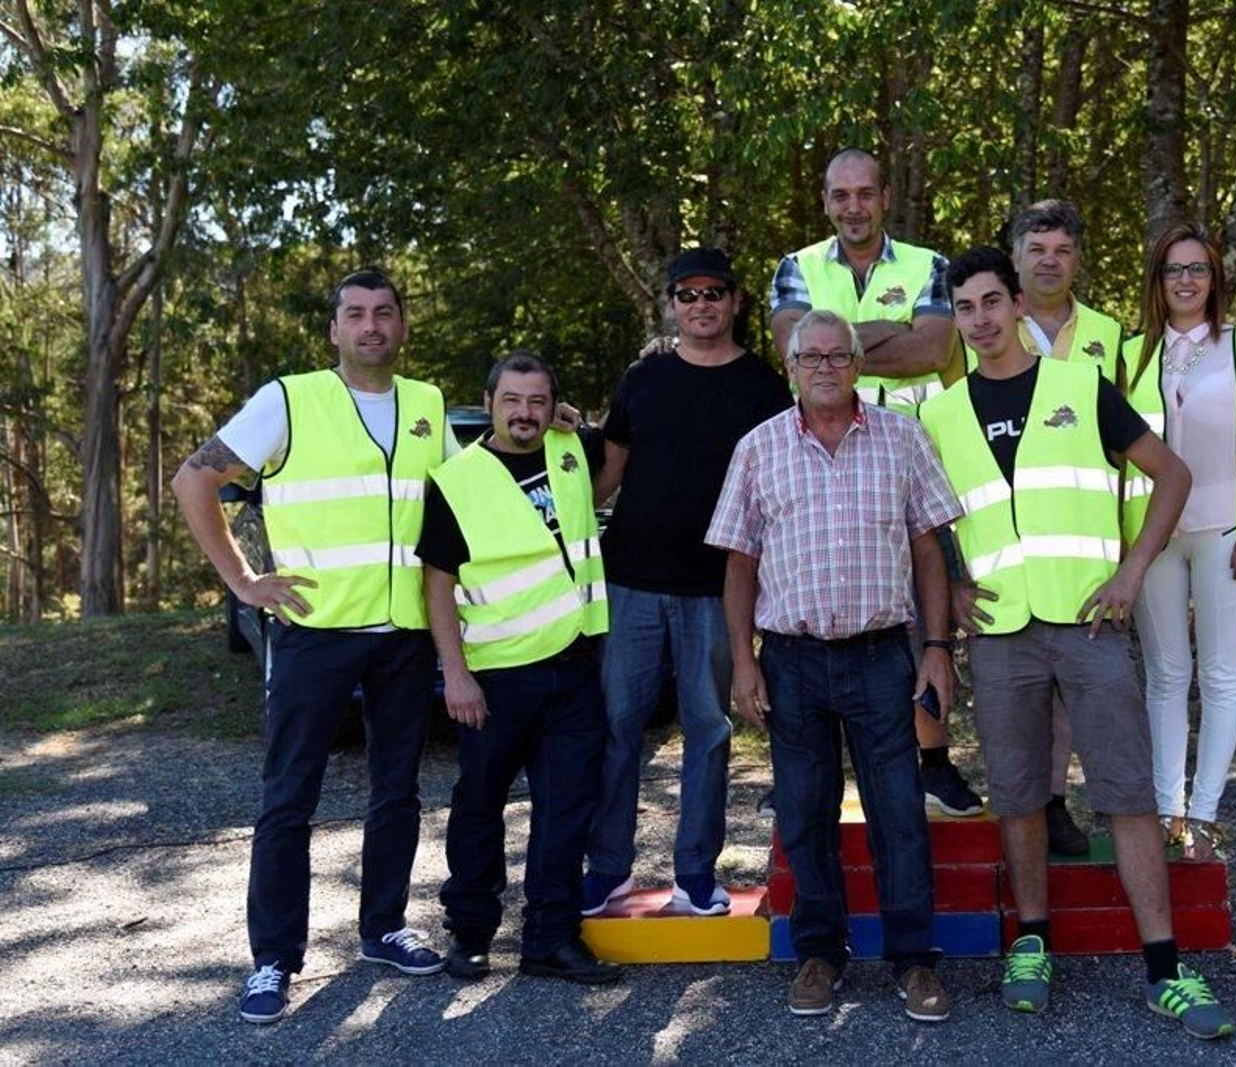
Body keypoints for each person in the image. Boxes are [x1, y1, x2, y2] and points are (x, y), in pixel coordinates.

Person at [926, 247, 1233, 1041]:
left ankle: (1164, 966)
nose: (983, 319)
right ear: (953, 320)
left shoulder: (1079, 386)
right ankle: (1032, 940)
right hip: (999, 630)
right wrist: (954, 585)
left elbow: (1172, 474)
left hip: (1090, 622)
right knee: (1021, 791)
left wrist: (1133, 570)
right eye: (966, 308)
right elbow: (925, 523)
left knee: (1126, 792)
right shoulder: (939, 414)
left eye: (994, 301)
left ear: (1019, 302)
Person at [172, 269, 451, 1025]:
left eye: (384, 313)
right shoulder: (287, 399)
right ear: (334, 329)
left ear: (401, 325)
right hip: (312, 636)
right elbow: (192, 479)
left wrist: (551, 422)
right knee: (288, 799)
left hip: (403, 639)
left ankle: (384, 928)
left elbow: (463, 502)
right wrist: (242, 580)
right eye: (354, 314)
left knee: (398, 790)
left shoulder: (427, 405)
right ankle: (272, 960)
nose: (370, 326)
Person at [706, 309, 959, 1023]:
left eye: (837, 354)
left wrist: (937, 648)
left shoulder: (903, 439)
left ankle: (915, 961)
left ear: (858, 364)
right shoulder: (757, 449)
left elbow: (928, 551)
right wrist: (744, 662)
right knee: (804, 813)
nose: (824, 366)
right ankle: (819, 954)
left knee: (900, 814)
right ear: (790, 367)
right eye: (809, 355)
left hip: (883, 657)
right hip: (791, 661)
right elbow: (739, 562)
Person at [579, 248, 792, 918]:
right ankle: (607, 868)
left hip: (715, 589)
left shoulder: (763, 385)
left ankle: (695, 875)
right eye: (687, 294)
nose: (701, 305)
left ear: (734, 302)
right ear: (671, 304)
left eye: (714, 293)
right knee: (616, 726)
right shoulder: (643, 380)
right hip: (630, 583)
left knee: (709, 728)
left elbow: (775, 491)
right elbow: (604, 479)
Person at [768, 147, 979, 817]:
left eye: (865, 193)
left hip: (912, 456)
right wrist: (890, 329)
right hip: (821, 453)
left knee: (925, 608)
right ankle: (813, 772)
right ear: (826, 201)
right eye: (840, 195)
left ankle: (934, 761)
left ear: (885, 196)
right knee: (819, 608)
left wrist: (833, 341)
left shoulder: (930, 264)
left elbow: (934, 348)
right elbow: (788, 349)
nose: (852, 206)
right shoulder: (795, 267)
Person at [417, 352, 621, 985]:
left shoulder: (570, 452)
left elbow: (612, 445)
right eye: (511, 400)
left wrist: (578, 421)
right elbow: (437, 584)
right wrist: (455, 674)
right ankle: (472, 934)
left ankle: (551, 939)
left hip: (575, 665)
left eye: (537, 400)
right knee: (479, 805)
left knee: (566, 810)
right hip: (496, 676)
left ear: (552, 405)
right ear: (490, 401)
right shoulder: (458, 479)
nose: (524, 412)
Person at [1122, 223, 1236, 865]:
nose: (1186, 280)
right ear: (1157, 281)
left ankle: (1207, 817)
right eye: (1172, 269)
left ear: (1214, 278)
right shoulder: (1131, 354)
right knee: (1165, 675)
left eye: (1198, 269)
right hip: (1155, 538)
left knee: (1220, 676)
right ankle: (1168, 812)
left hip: (1226, 532)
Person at [1005, 198, 1127, 856]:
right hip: (1006, 537)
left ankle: (1058, 800)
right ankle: (1022, 804)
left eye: (1062, 250)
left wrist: (1129, 543)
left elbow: (1133, 443)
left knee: (1075, 685)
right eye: (1036, 249)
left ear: (1077, 259)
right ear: (1016, 257)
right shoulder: (990, 324)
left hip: (1083, 536)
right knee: (1015, 684)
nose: (1049, 262)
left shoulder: (1110, 334)